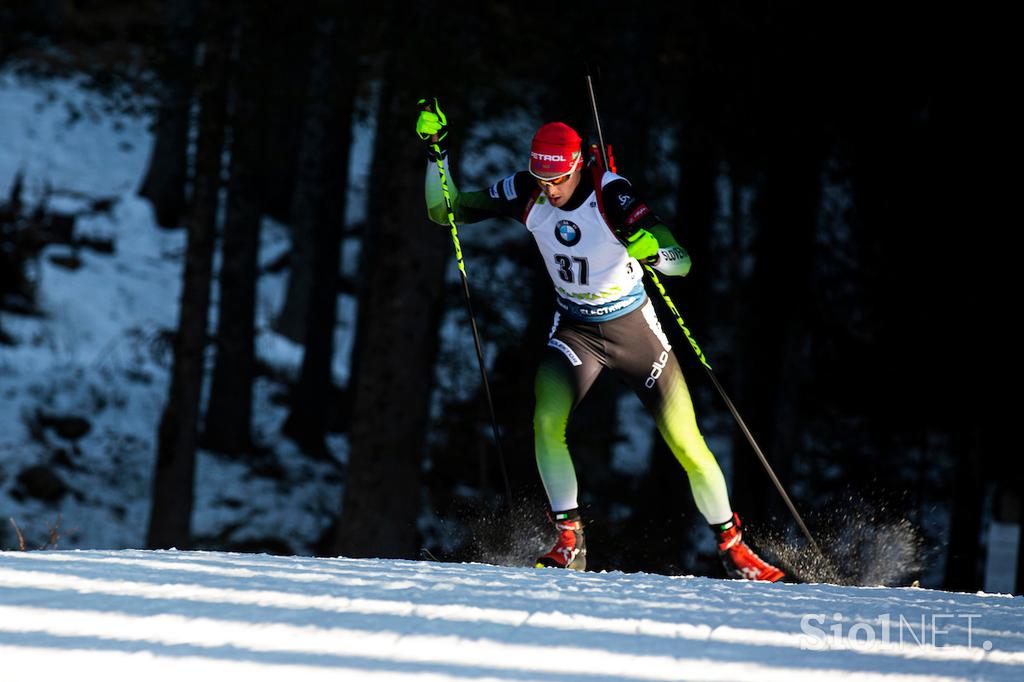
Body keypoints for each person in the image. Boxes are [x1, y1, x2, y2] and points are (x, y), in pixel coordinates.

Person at [415, 98, 784, 582]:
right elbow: (445, 210)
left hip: (633, 328)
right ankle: (569, 540)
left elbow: (682, 261)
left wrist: (654, 250)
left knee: (686, 442)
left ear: (576, 168)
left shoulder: (612, 195)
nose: (548, 191)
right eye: (541, 180)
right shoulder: (527, 192)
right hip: (577, 329)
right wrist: (436, 153)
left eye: (558, 180)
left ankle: (735, 548)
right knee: (546, 420)